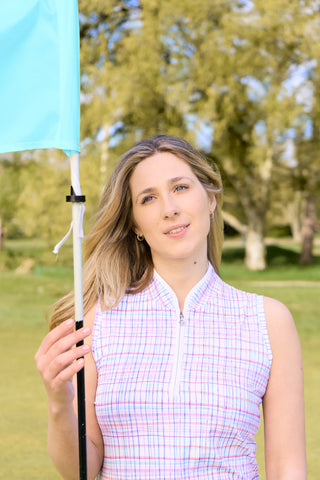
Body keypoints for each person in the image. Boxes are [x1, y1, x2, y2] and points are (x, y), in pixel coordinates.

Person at [35, 135, 306, 480]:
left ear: (209, 198)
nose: (169, 209)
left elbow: (287, 468)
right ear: (135, 223)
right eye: (148, 198)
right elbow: (80, 472)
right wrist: (59, 404)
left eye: (180, 188)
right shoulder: (95, 320)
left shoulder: (268, 321)